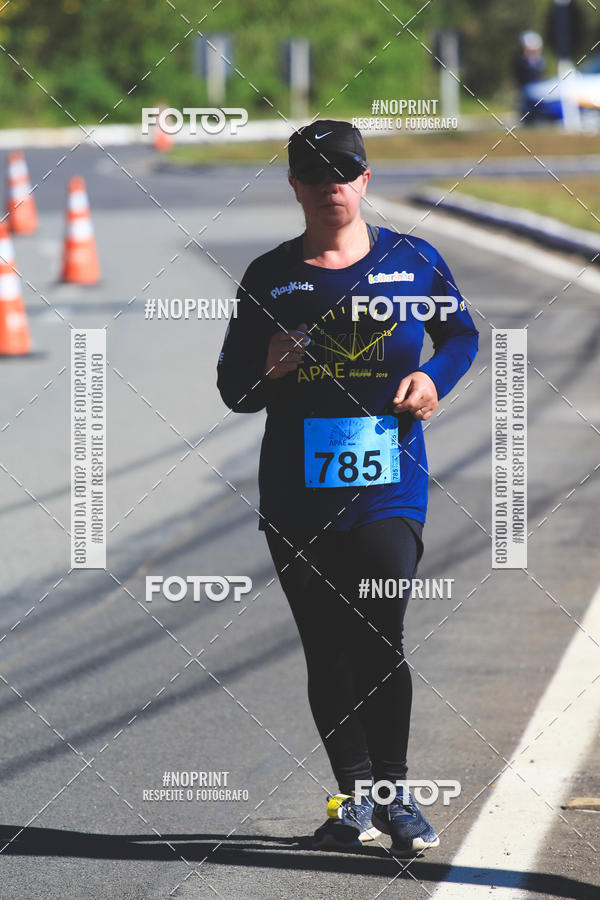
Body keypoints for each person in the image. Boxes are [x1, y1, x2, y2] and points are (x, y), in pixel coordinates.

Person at [217, 120, 478, 856]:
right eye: (315, 170)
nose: (332, 182)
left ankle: (395, 799)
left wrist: (434, 379)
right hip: (298, 495)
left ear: (366, 179)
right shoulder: (270, 277)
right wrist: (269, 366)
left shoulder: (413, 260)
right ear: (296, 185)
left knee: (378, 635)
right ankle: (351, 801)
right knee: (326, 651)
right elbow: (234, 391)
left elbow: (461, 335)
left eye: (346, 169)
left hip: (388, 486)